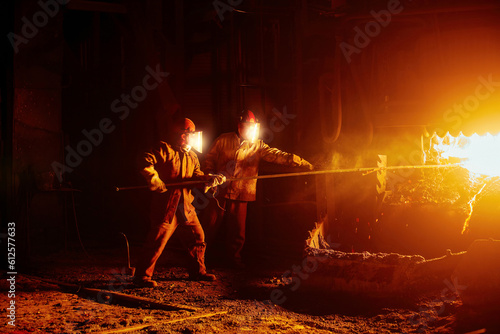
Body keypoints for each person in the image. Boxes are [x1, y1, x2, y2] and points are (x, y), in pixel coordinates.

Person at [202, 110, 313, 269]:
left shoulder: (257, 145)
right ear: (239, 126)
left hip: (241, 192)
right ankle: (198, 258)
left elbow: (277, 155)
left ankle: (233, 261)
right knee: (209, 226)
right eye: (248, 127)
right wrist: (210, 175)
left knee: (237, 232)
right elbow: (209, 159)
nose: (251, 130)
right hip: (218, 191)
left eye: (253, 127)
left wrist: (300, 162)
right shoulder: (223, 140)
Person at [133, 117, 225, 287]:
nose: (195, 137)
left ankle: (198, 272)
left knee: (197, 237)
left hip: (186, 207)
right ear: (183, 136)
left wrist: (208, 179)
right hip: (167, 207)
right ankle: (142, 277)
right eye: (191, 133)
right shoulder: (165, 149)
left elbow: (195, 176)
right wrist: (153, 177)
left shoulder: (191, 156)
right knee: (157, 241)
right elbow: (144, 159)